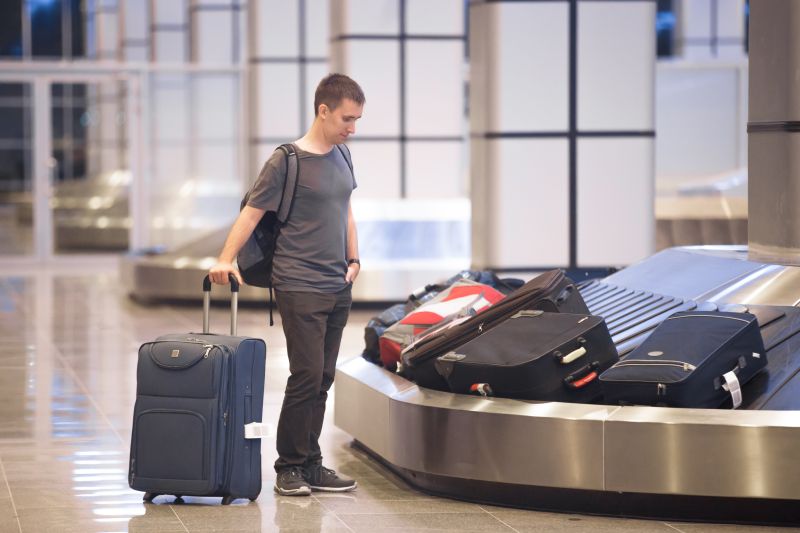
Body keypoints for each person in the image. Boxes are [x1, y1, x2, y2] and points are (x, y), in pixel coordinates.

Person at [209, 73, 364, 496]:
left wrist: (354, 258)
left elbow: (345, 208)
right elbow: (252, 213)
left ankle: (311, 462)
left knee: (323, 377)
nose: (352, 128)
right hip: (298, 283)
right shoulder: (286, 160)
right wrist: (225, 259)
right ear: (323, 110)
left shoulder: (343, 156)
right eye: (347, 119)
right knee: (306, 374)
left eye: (357, 120)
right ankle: (289, 466)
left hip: (337, 284)